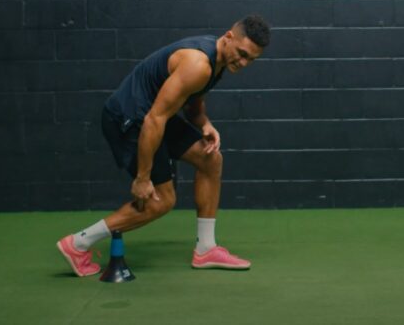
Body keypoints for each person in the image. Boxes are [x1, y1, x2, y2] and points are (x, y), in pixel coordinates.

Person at [56, 15, 271, 276]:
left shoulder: (218, 61)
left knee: (210, 159)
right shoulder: (198, 64)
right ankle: (78, 244)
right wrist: (142, 177)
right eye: (242, 53)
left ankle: (206, 249)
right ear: (228, 37)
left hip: (154, 115)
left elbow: (193, 102)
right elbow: (153, 119)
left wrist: (204, 123)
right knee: (160, 201)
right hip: (130, 118)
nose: (244, 62)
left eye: (251, 59)